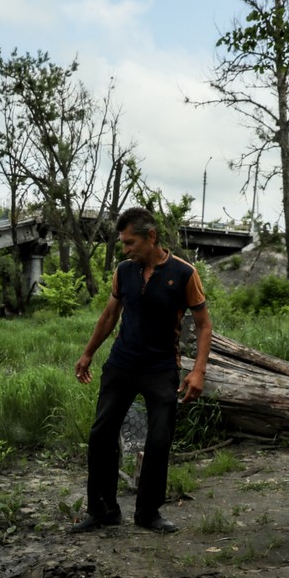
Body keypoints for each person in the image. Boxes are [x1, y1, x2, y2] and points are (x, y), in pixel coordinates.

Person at [71, 207, 212, 534]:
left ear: (151, 237)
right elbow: (109, 315)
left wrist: (199, 371)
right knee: (101, 434)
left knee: (159, 440)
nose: (125, 249)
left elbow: (204, 325)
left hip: (161, 367)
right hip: (121, 363)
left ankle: (148, 513)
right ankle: (103, 510)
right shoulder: (124, 271)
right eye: (123, 243)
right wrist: (88, 353)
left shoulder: (185, 273)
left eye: (130, 242)